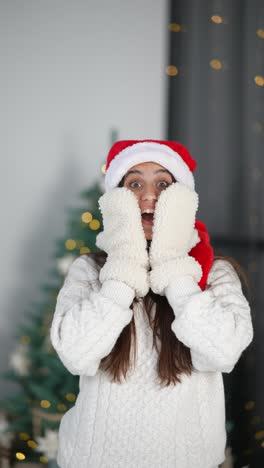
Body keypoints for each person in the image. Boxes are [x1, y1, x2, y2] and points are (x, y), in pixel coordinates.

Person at [50, 139, 253, 468]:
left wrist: (173, 268)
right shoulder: (89, 271)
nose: (148, 196)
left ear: (184, 199)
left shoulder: (214, 273)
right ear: (115, 200)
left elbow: (224, 351)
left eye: (163, 183)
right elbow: (75, 355)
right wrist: (123, 271)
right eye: (133, 184)